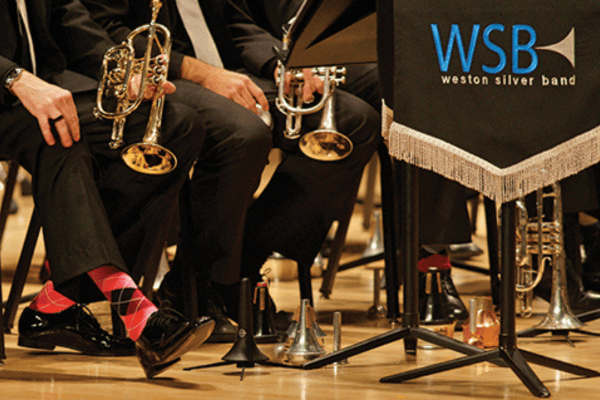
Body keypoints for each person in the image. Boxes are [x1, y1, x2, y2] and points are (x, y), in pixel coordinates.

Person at [81, 0, 382, 333]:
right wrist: (202, 73)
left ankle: (240, 263)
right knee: (242, 134)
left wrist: (282, 63)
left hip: (230, 71)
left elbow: (236, 23)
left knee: (353, 122)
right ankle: (200, 284)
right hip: (160, 77)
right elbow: (108, 30)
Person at [2, 0, 214, 378]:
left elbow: (67, 17)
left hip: (42, 88)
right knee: (61, 134)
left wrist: (124, 71)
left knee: (177, 125)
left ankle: (59, 300)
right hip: (12, 91)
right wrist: (15, 77)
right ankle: (137, 314)